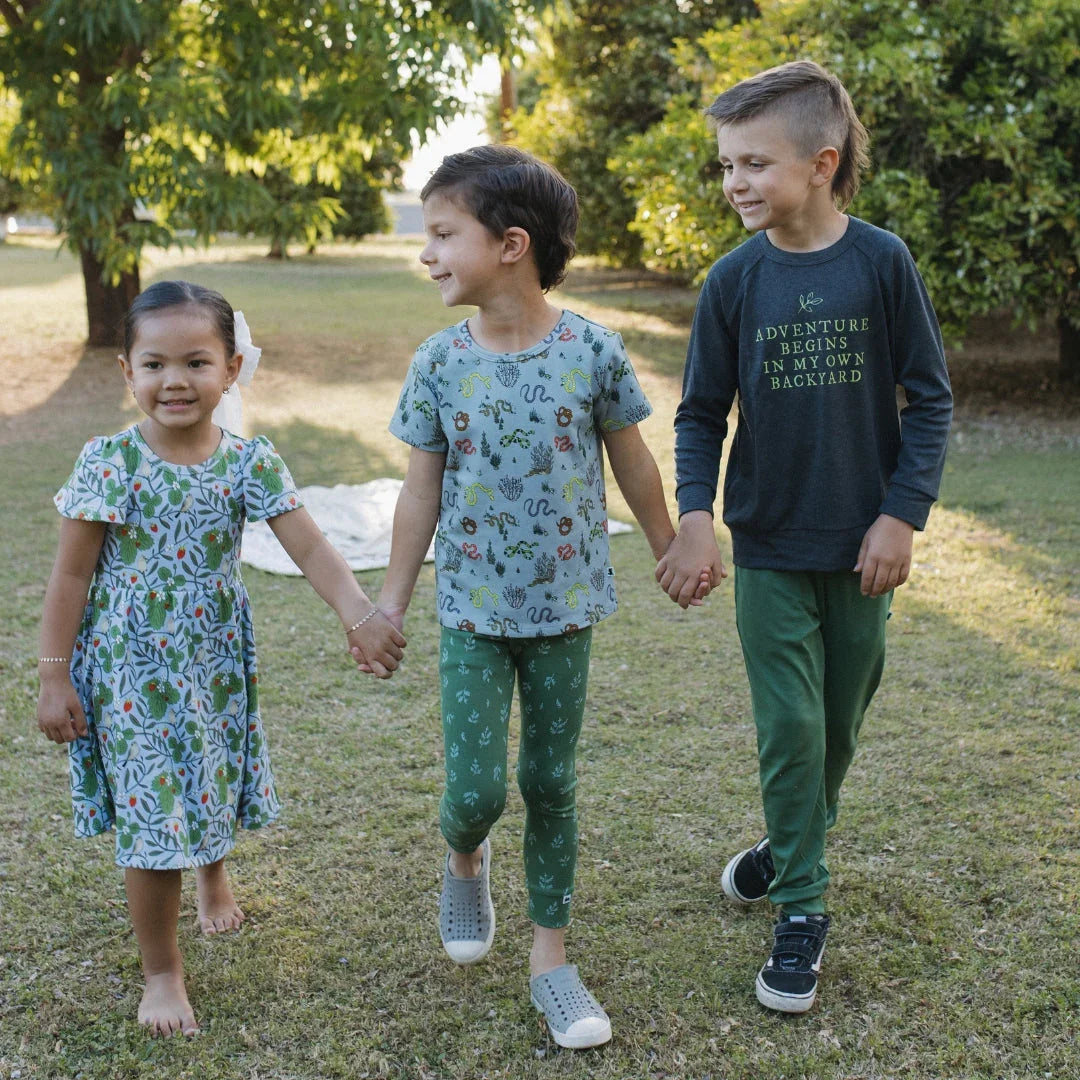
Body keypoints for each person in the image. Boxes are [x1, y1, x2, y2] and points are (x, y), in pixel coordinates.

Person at [371, 144, 706, 1049]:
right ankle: (464, 857)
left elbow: (631, 458)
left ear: (511, 244)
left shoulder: (591, 349)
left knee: (550, 781)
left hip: (566, 609)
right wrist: (391, 605)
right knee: (476, 790)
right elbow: (419, 493)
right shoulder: (439, 362)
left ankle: (550, 962)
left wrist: (670, 545)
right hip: (472, 614)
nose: (427, 252)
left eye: (444, 233)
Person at [657, 60, 953, 1013]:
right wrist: (694, 517)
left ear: (822, 164)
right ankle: (802, 906)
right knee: (789, 726)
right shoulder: (733, 281)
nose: (734, 183)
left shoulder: (882, 262)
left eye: (753, 163)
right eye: (726, 166)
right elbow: (701, 412)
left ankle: (786, 844)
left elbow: (932, 398)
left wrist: (901, 514)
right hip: (772, 547)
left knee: (838, 725)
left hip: (865, 551)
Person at [36, 280, 406, 1037]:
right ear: (126, 372)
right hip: (129, 676)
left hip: (212, 667)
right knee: (151, 818)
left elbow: (308, 545)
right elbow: (70, 575)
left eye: (197, 362)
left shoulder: (249, 463)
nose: (175, 380)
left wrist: (359, 613)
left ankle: (213, 875)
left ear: (233, 370)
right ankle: (162, 972)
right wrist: (53, 673)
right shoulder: (110, 463)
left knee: (205, 780)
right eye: (155, 364)